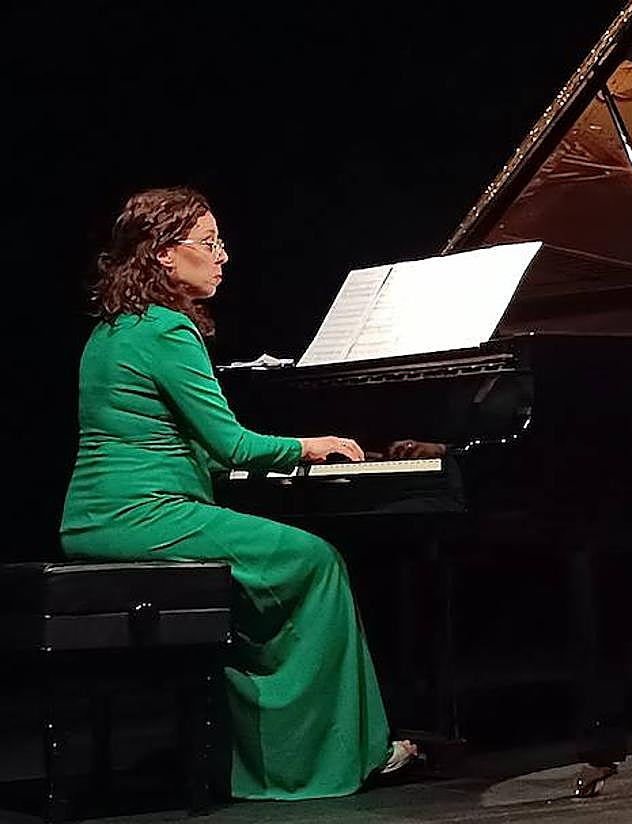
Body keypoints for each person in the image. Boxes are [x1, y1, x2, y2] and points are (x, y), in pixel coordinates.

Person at [59, 187, 421, 800]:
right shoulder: (169, 330)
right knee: (314, 561)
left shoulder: (114, 330)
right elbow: (232, 445)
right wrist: (309, 447)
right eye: (209, 242)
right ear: (165, 256)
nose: (223, 255)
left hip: (96, 517)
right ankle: (322, 759)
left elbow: (181, 448)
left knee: (266, 577)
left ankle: (260, 751)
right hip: (148, 515)